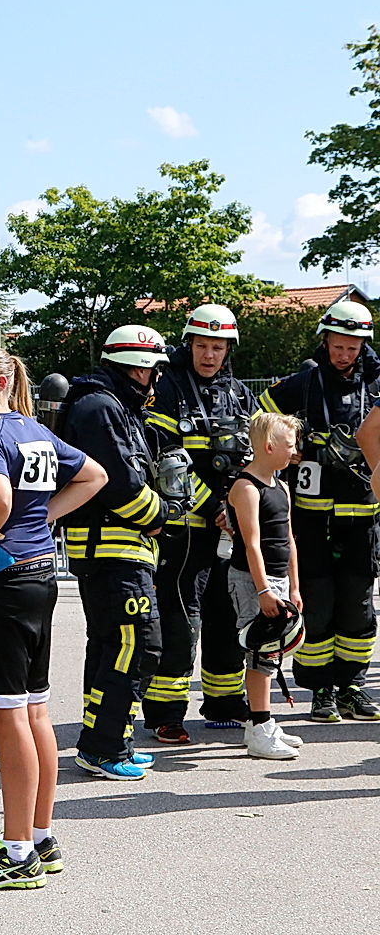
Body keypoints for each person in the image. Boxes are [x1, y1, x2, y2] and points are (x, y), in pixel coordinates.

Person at [0, 345, 106, 890]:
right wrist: (45, 521)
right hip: (40, 575)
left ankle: (14, 853)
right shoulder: (31, 429)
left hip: (2, 581)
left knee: (5, 717)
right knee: (34, 712)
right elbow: (94, 476)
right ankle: (39, 836)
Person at [260, 301, 380, 722]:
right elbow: (261, 421)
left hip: (363, 512)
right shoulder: (304, 383)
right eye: (338, 346)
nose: (345, 354)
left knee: (358, 602)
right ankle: (321, 689)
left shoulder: (377, 382)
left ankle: (353, 685)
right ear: (325, 340)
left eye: (353, 347)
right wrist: (296, 450)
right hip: (311, 515)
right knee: (318, 600)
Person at [143, 304, 258, 740]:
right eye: (203, 345)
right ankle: (165, 712)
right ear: (188, 343)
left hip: (232, 526)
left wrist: (243, 506)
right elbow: (167, 458)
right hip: (185, 528)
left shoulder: (239, 392)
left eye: (218, 347)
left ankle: (225, 702)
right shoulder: (168, 388)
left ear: (228, 349)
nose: (209, 355)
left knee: (226, 614)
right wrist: (216, 506)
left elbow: (256, 453)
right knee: (179, 619)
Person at [60, 325, 169, 780]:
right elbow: (122, 486)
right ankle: (105, 748)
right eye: (155, 370)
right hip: (113, 549)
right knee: (136, 645)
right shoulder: (102, 407)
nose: (157, 380)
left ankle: (105, 742)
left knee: (113, 647)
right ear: (140, 369)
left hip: (117, 550)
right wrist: (163, 514)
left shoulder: (110, 404)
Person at [224, 413, 306, 759]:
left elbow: (288, 539)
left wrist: (294, 587)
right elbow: (251, 543)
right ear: (269, 446)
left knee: (272, 655)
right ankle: (258, 728)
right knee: (261, 653)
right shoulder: (246, 488)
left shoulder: (282, 485)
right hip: (252, 581)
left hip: (278, 581)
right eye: (290, 446)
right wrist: (263, 590)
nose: (295, 451)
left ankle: (263, 721)